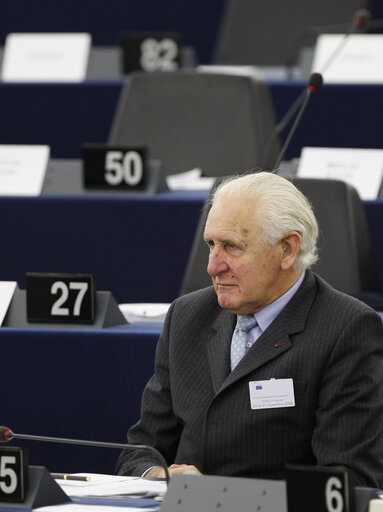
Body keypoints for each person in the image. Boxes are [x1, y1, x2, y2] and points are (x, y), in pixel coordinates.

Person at [115, 171, 383, 487]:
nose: (212, 266)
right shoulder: (187, 317)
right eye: (211, 244)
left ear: (287, 249)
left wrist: (223, 497)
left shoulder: (347, 330)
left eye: (232, 247)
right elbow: (140, 451)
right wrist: (159, 475)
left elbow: (348, 480)